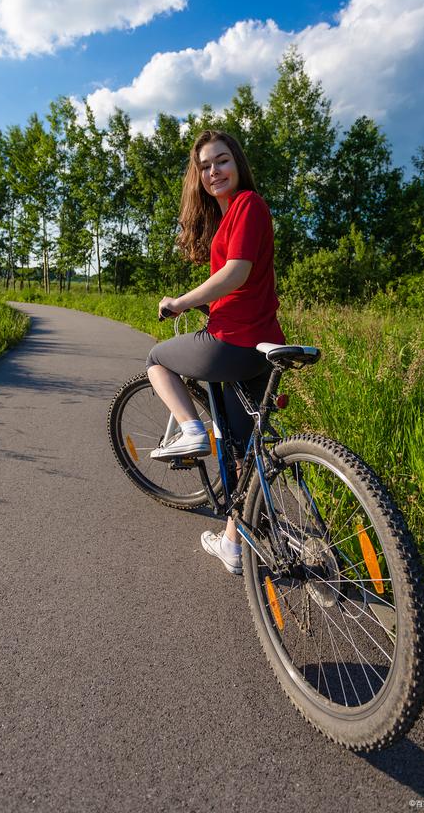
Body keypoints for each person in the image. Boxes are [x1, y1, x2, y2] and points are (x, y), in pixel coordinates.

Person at [146, 129, 285, 575]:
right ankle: (233, 543)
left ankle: (190, 431)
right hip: (263, 341)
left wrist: (181, 302)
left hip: (233, 340)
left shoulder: (247, 204)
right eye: (204, 166)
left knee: (156, 360)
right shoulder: (232, 217)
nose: (213, 171)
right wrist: (209, 298)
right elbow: (241, 282)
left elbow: (237, 272)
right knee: (244, 451)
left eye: (221, 161)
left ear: (238, 163)